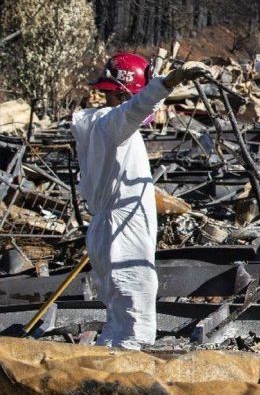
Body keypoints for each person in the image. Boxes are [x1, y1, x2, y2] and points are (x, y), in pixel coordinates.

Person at [72, 53, 208, 349]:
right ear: (123, 92)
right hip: (122, 231)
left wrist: (162, 85)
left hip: (112, 226)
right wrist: (170, 81)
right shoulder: (113, 124)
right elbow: (138, 107)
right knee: (133, 327)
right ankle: (120, 380)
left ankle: (111, 369)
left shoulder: (102, 124)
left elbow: (138, 107)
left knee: (121, 319)